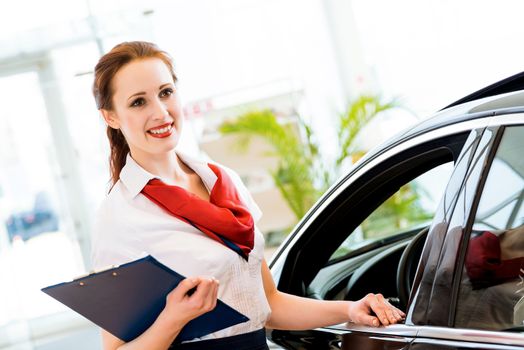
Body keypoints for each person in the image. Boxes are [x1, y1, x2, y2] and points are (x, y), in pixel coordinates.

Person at [90, 41, 405, 350]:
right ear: (111, 117)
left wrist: (349, 310)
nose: (160, 112)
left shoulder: (225, 182)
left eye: (166, 92)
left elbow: (268, 304)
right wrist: (174, 318)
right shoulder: (120, 216)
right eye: (138, 102)